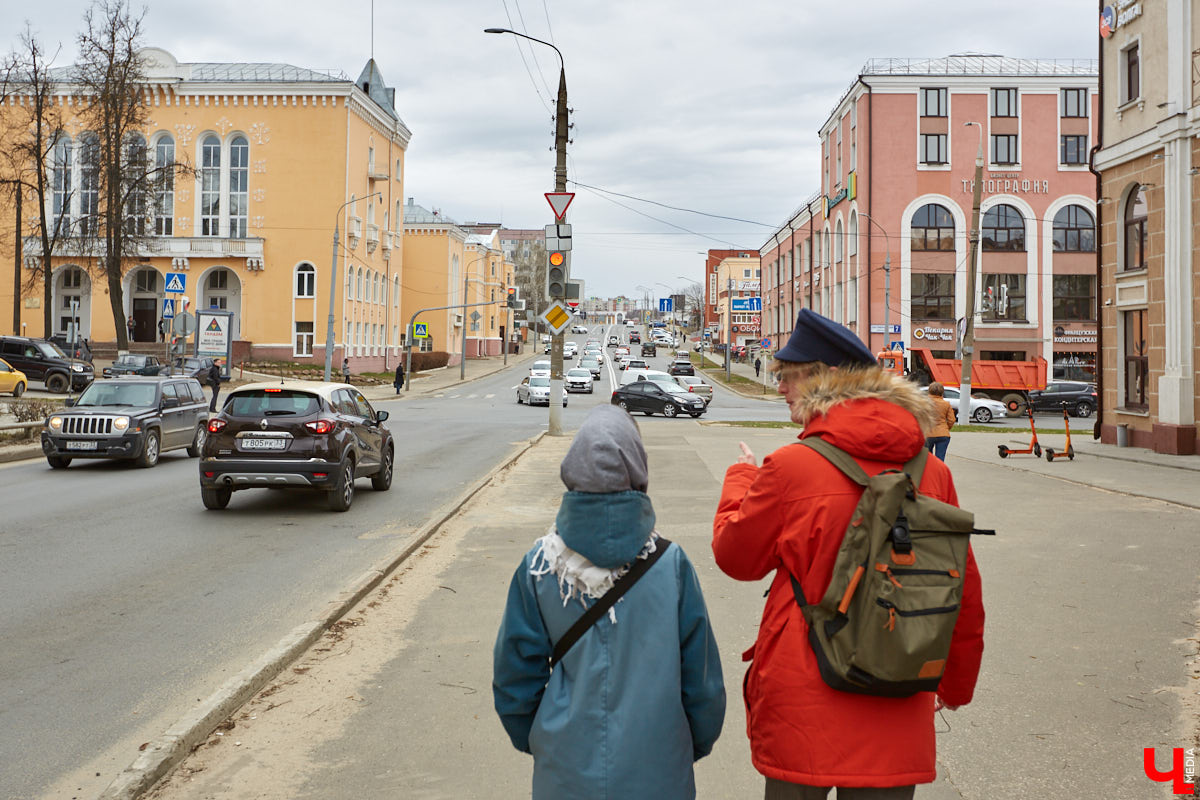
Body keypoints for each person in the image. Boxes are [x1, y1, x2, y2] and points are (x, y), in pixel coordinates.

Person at [712, 309, 984, 800]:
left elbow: (737, 558)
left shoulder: (791, 467)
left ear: (826, 379)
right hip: (899, 685)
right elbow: (961, 586)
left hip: (806, 694)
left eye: (788, 377)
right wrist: (955, 684)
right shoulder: (931, 472)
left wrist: (740, 480)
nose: (779, 390)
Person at [493, 405, 725, 800]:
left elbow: (514, 680)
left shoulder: (540, 566)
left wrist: (549, 741)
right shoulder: (672, 565)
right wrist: (681, 749)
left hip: (565, 774)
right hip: (660, 773)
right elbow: (702, 687)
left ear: (573, 472)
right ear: (637, 471)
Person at [925, 381, 956, 461]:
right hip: (943, 434)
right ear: (942, 392)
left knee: (927, 458)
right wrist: (945, 428)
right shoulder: (946, 404)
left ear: (929, 391)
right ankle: (939, 472)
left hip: (927, 433)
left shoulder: (924, 403)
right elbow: (951, 420)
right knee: (940, 458)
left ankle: (929, 472)